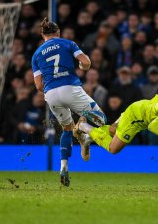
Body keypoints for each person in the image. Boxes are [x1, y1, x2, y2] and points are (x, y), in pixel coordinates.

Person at [31, 17, 106, 187]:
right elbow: (86, 62)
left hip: (50, 93)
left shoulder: (36, 54)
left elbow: (38, 85)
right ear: (58, 32)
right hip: (70, 88)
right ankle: (83, 132)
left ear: (42, 35)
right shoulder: (67, 43)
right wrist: (83, 68)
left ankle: (63, 166)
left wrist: (52, 90)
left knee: (66, 128)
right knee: (101, 119)